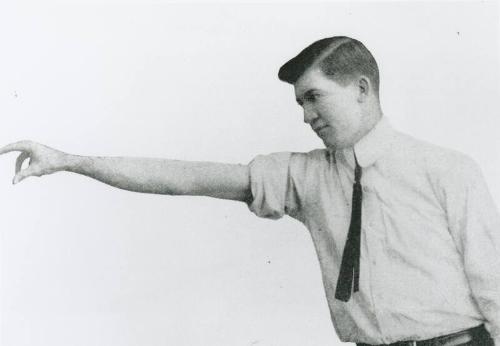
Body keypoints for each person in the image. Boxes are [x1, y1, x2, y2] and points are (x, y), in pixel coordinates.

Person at [1, 36, 499, 346]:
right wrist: (70, 161)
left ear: (363, 89)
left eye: (315, 97)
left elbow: (494, 284)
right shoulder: (302, 177)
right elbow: (184, 179)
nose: (306, 116)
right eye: (300, 103)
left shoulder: (447, 170)